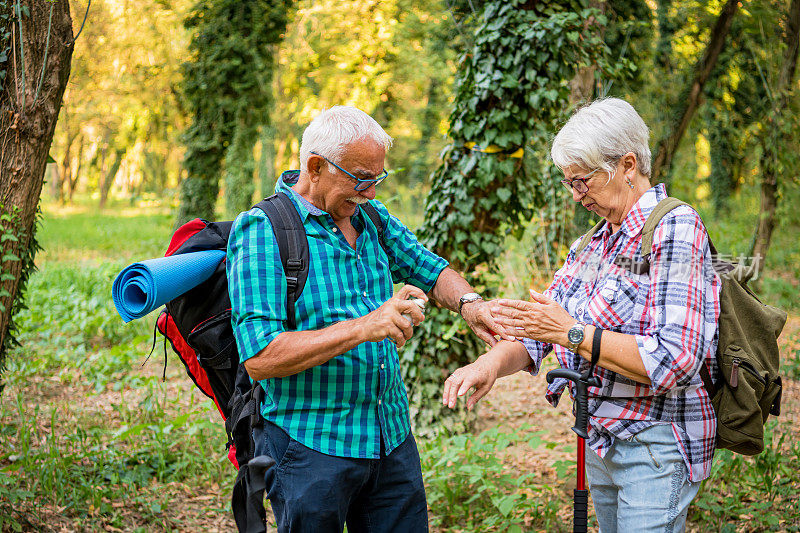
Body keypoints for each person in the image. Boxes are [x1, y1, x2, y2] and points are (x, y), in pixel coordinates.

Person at [442, 98, 721, 532]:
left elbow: (677, 359)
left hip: (655, 443)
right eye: (569, 182)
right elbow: (541, 331)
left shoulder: (676, 230)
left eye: (583, 180)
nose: (576, 195)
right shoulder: (592, 245)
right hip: (601, 441)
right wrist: (488, 365)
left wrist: (571, 333)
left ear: (628, 165)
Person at [227, 106, 510, 533]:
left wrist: (471, 304)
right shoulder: (264, 231)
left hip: (390, 436)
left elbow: (428, 268)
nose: (372, 192)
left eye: (378, 179)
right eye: (361, 178)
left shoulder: (370, 218)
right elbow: (261, 357)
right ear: (316, 167)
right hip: (311, 446)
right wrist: (366, 326)